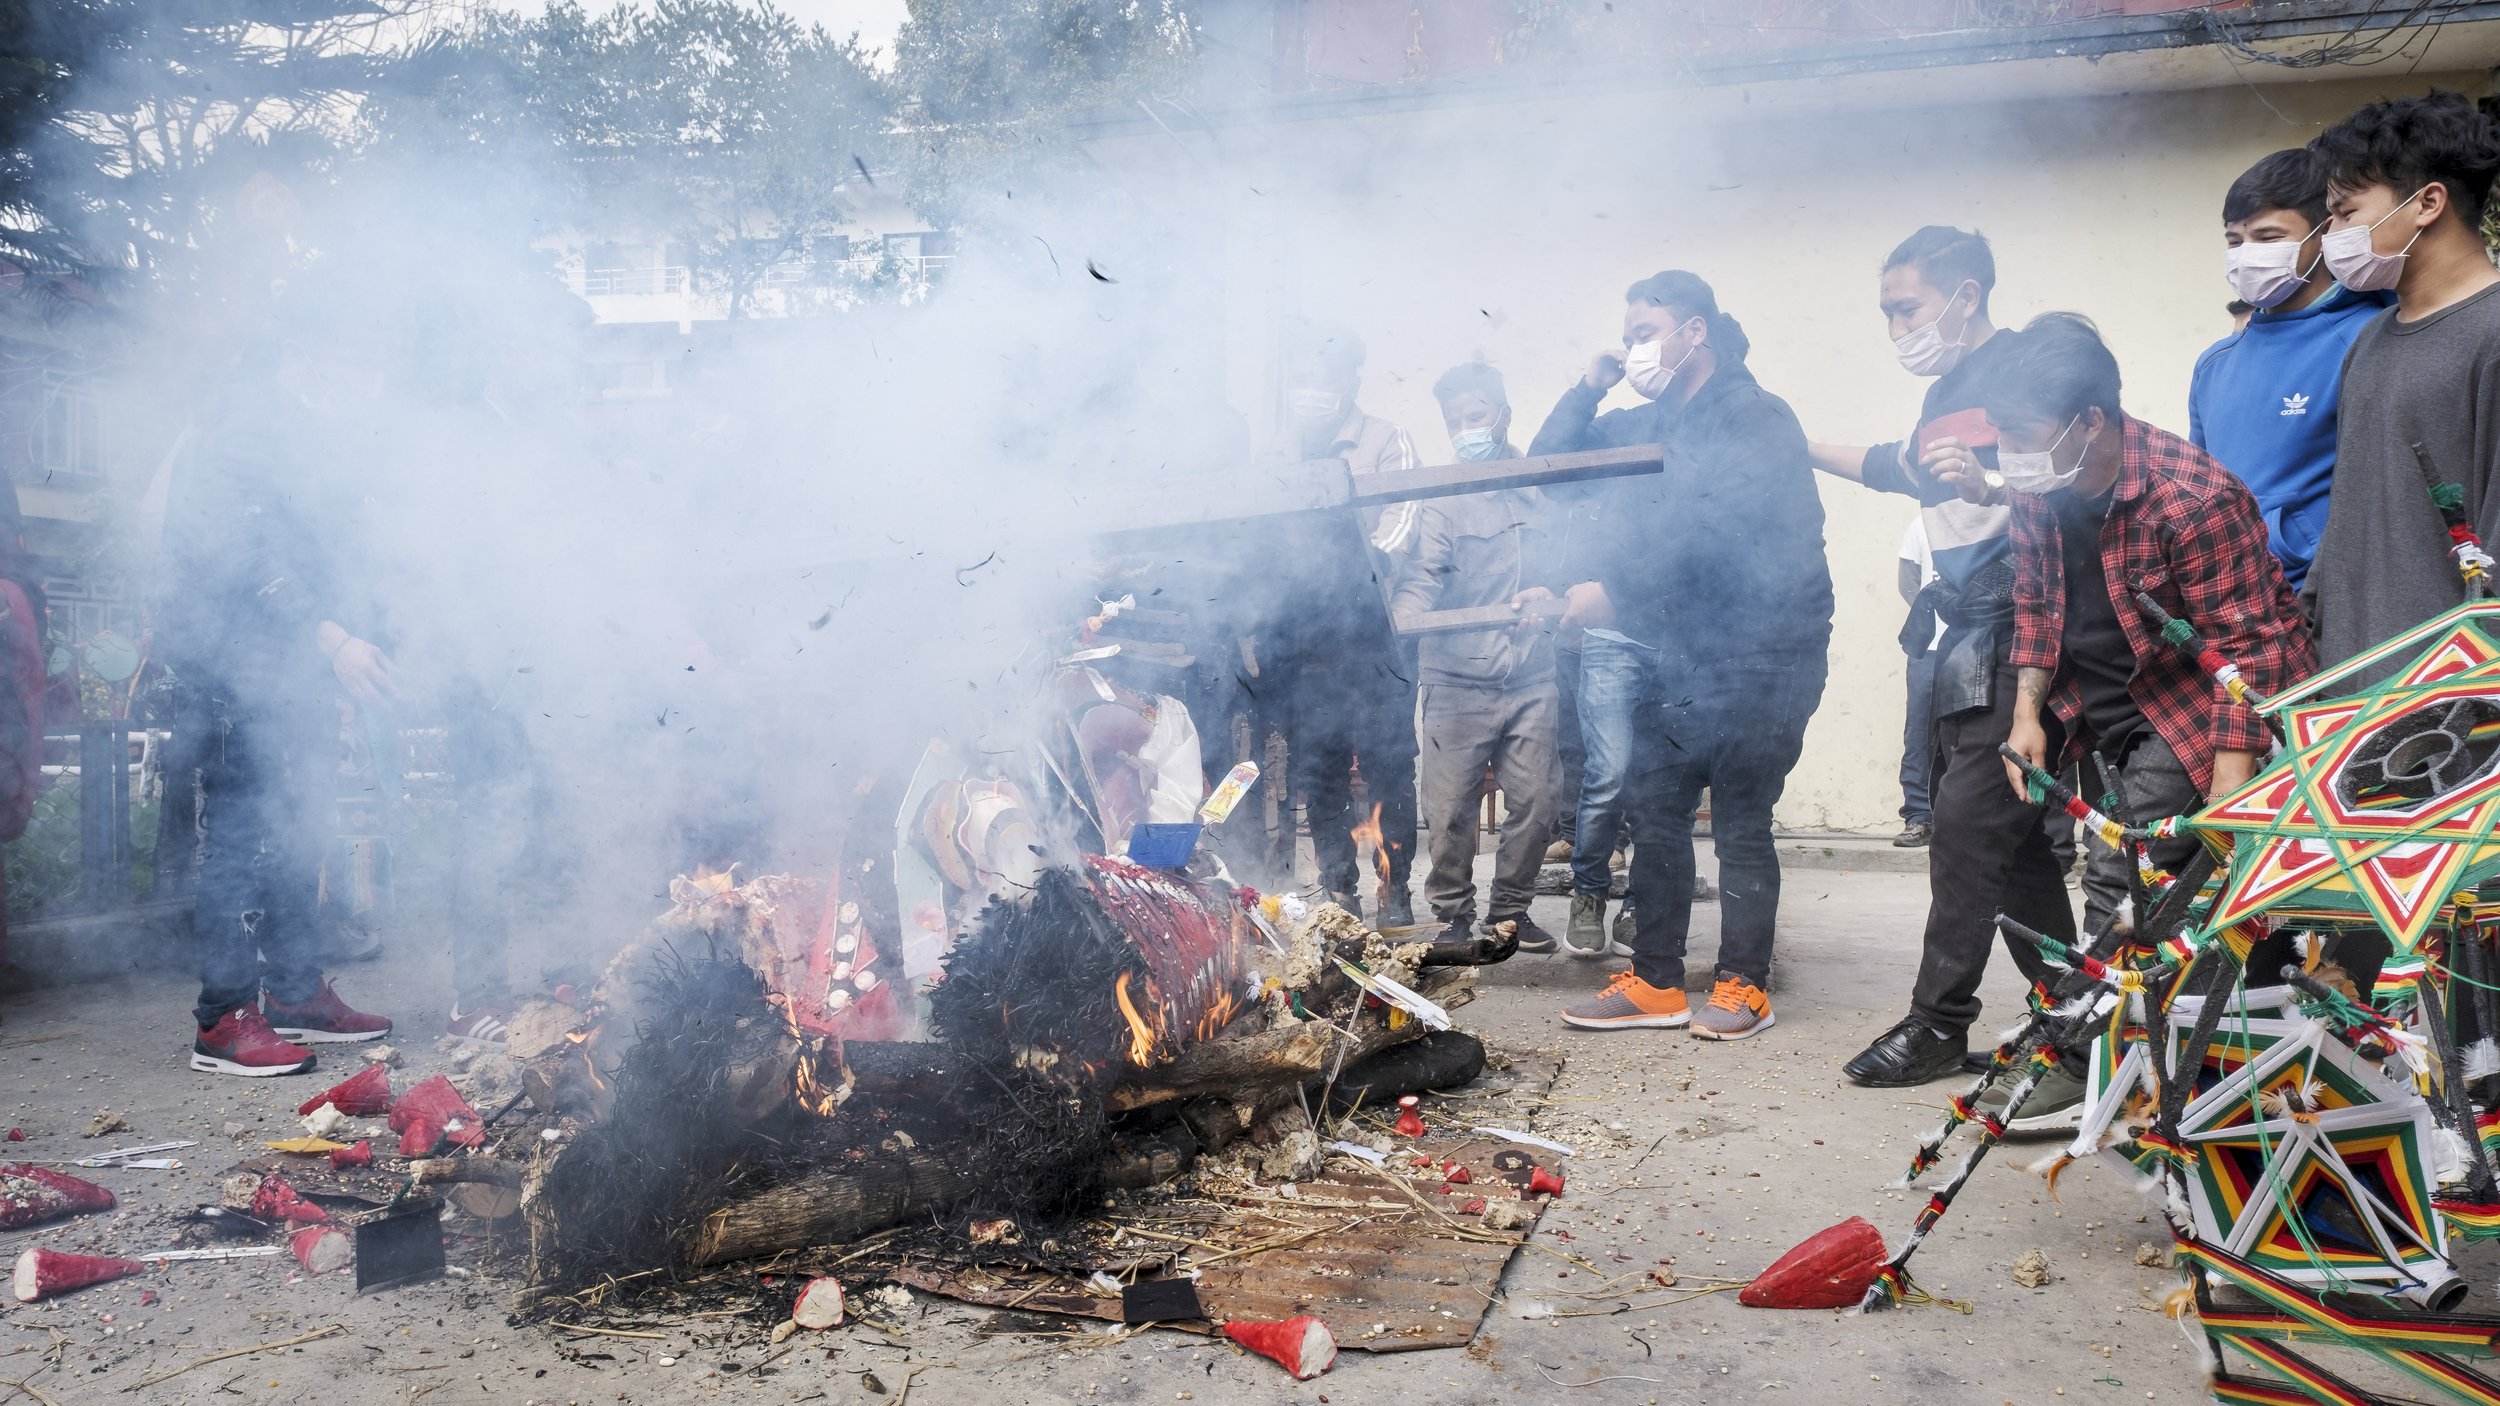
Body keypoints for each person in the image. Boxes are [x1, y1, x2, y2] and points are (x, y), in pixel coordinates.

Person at [1802, 228, 2075, 1090]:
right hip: (1966, 633)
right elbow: (1898, 467)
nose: (1896, 327)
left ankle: (1939, 1022)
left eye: (1907, 307)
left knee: (1963, 831)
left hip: (2019, 627)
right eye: (1886, 312)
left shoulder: (2024, 371)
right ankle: (2073, 1014)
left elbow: (2056, 485)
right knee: (2013, 845)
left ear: (1966, 295)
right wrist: (1800, 444)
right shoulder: (1946, 393)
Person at [1534, 271, 1834, 1039]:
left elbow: (1713, 530)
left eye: (1645, 332)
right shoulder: (1645, 422)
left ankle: (1743, 985)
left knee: (1739, 817)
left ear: (1695, 331)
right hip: (1682, 651)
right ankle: (1657, 982)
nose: (1635, 348)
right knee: (1655, 807)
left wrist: (1613, 591)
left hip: (1768, 649)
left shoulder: (1756, 419)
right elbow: (1553, 470)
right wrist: (1589, 387)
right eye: (1627, 336)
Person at [1988, 312, 2318, 948]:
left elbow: (2247, 653)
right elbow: (2034, 598)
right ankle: (2128, 1016)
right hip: (2105, 696)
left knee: (2120, 868)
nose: (2010, 454)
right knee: (2144, 869)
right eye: (2001, 434)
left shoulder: (2192, 497)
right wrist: (2026, 713)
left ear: (2090, 419)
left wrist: (2231, 789)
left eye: (2023, 433)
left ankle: (2107, 1026)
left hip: (2197, 702)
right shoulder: (2039, 479)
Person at [158, 319, 397, 1077]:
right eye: (348, 353)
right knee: (238, 842)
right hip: (228, 674)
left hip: (288, 674)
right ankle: (221, 1019)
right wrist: (331, 638)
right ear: (304, 351)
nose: (359, 374)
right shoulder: (241, 428)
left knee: (300, 830)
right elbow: (247, 555)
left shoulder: (302, 435)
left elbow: (326, 553)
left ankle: (293, 991)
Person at [2306, 92, 2500, 667]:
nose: (2331, 234)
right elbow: (2351, 511)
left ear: (2427, 203)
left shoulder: (2492, 334)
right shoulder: (2370, 337)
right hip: (2355, 680)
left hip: (2454, 696)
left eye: (2346, 213)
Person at [1390, 363, 1562, 954]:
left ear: (1503, 412)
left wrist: (1553, 592)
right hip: (1457, 677)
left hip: (1532, 673)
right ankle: (1453, 916)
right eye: (1454, 419)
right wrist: (1404, 617)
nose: (1466, 428)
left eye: (1477, 414)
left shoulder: (1539, 486)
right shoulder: (1443, 500)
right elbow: (1422, 574)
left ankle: (1512, 911)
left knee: (1538, 801)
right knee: (1449, 809)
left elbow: (1564, 563)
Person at [2188, 148, 2391, 593]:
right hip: (2231, 605)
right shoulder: (2215, 364)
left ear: (2324, 235)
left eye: (2268, 236)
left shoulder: (2369, 339)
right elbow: (2199, 495)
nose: (2246, 255)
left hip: (2328, 599)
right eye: (2234, 241)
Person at [1276, 321, 1421, 926]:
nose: (1312, 388)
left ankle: (1395, 887)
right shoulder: (1277, 453)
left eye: (1323, 376)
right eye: (1302, 377)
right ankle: (1339, 890)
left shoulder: (1388, 440)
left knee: (1389, 765)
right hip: (1309, 646)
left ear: (1349, 381)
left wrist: (1359, 570)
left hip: (1374, 637)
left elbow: (1404, 518)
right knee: (1320, 772)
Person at [1895, 516, 1943, 848]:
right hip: (1929, 648)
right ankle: (1919, 817)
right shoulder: (1922, 523)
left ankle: (1962, 820)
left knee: (1974, 732)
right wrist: (1926, 615)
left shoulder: (1987, 514)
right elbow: (1906, 578)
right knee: (1919, 733)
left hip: (1977, 646)